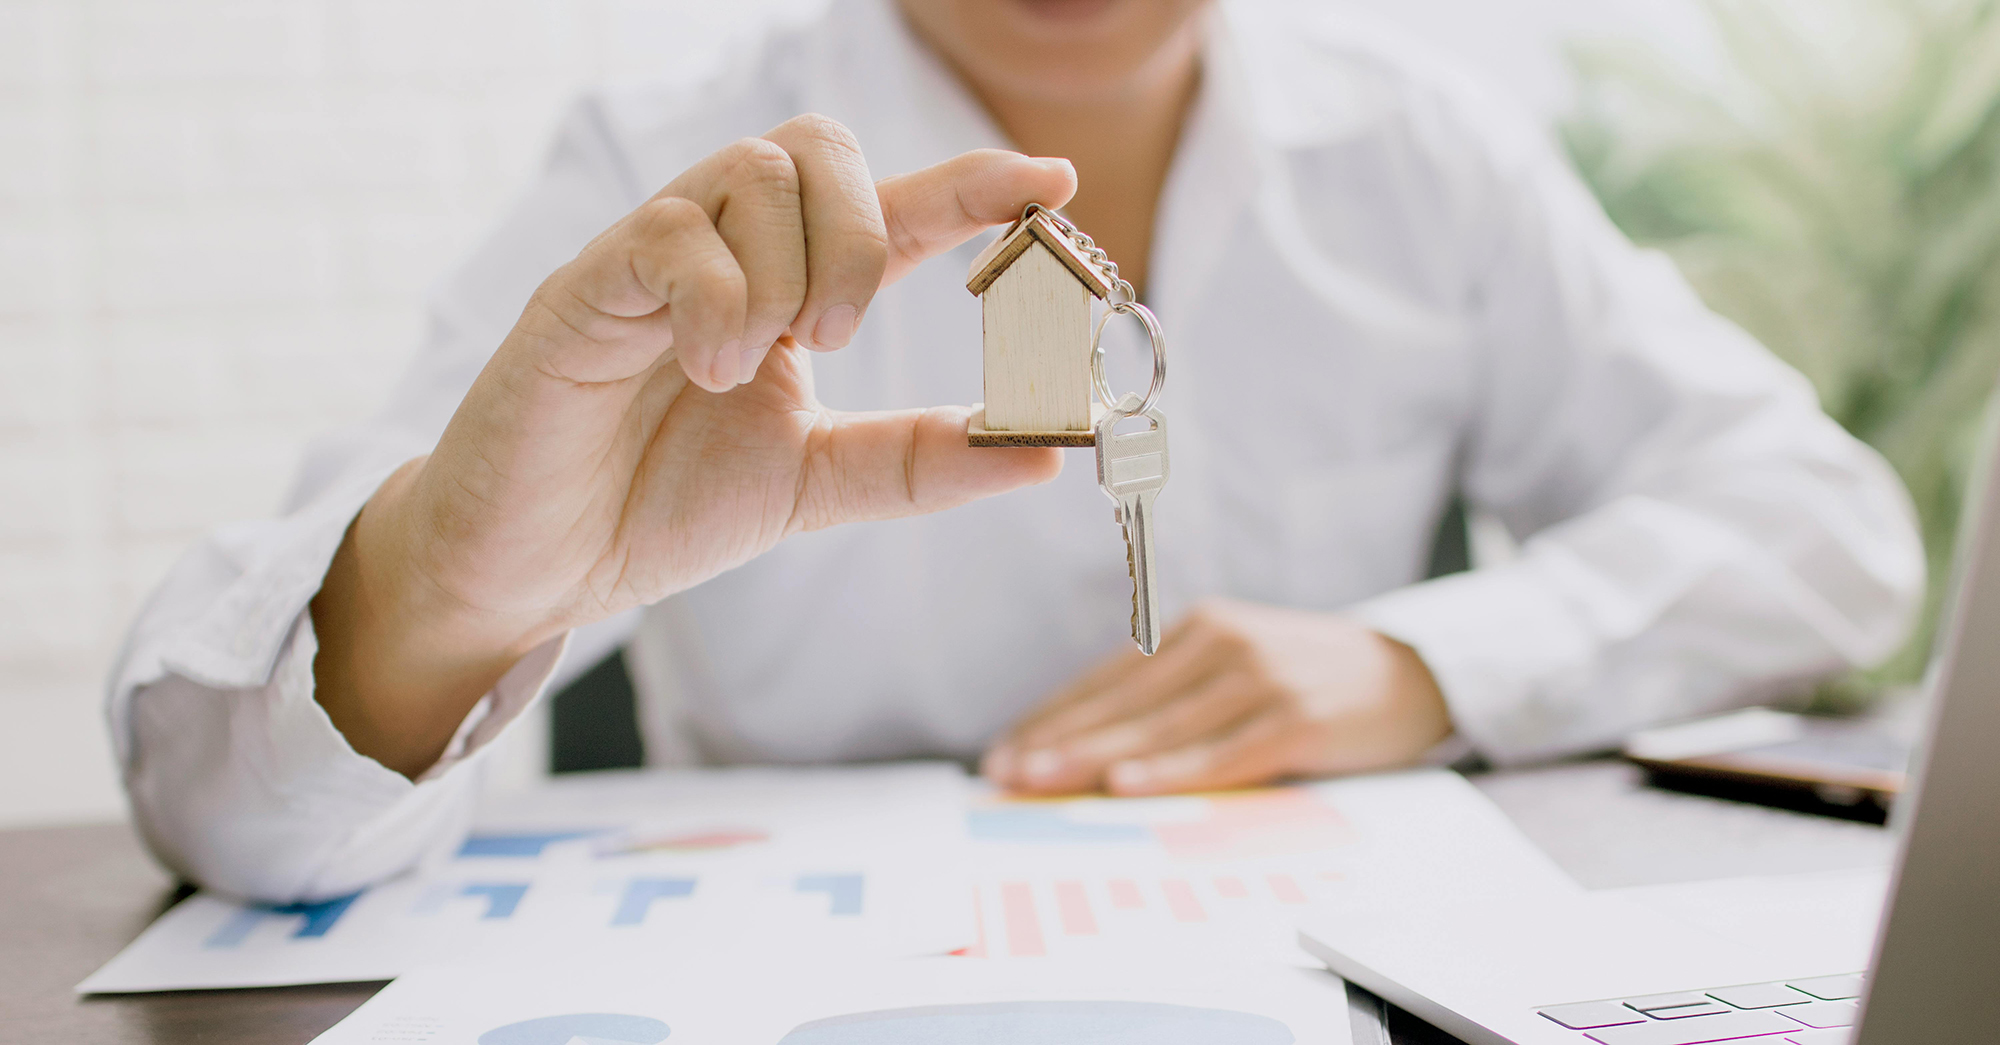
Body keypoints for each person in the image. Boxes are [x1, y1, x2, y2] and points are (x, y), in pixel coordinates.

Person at [110, 0, 1923, 903]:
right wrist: (451, 587)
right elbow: (219, 795)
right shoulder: (654, 163)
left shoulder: (1425, 150)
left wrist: (1425, 657)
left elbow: (1830, 526)